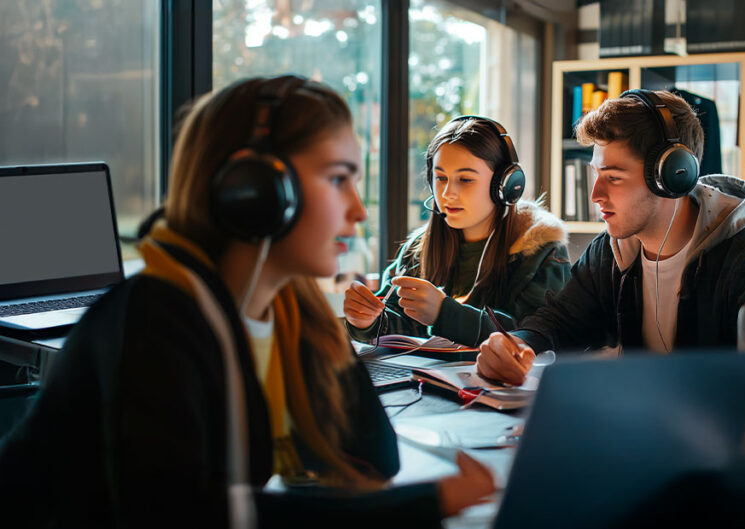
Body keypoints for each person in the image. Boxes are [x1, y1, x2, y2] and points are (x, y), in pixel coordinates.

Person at [0, 75, 493, 527]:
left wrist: (319, 326)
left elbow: (372, 458)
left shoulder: (280, 313)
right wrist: (427, 504)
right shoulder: (155, 321)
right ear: (256, 191)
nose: (359, 209)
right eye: (338, 178)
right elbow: (194, 516)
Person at [476, 89, 745, 385]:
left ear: (672, 175)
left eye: (613, 177)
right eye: (596, 174)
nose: (595, 195)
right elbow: (562, 320)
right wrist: (518, 343)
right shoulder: (611, 250)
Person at [344, 116, 570, 348]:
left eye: (465, 179)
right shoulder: (417, 249)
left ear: (506, 184)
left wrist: (445, 314)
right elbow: (397, 325)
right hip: (420, 382)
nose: (448, 193)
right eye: (441, 178)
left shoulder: (542, 252)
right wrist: (365, 321)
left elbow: (537, 337)